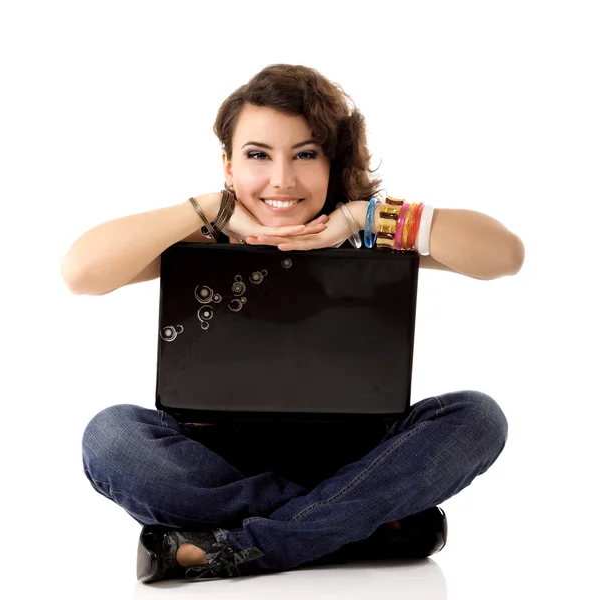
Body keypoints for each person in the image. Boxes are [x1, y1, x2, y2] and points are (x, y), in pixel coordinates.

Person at [63, 64, 523, 583]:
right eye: (258, 155)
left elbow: (503, 255)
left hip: (359, 459)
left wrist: (362, 218)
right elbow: (81, 272)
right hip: (221, 466)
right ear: (229, 165)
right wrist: (210, 208)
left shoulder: (367, 237)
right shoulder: (203, 243)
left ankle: (248, 545)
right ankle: (359, 525)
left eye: (306, 154)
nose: (282, 179)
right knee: (110, 438)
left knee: (479, 417)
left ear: (332, 161)